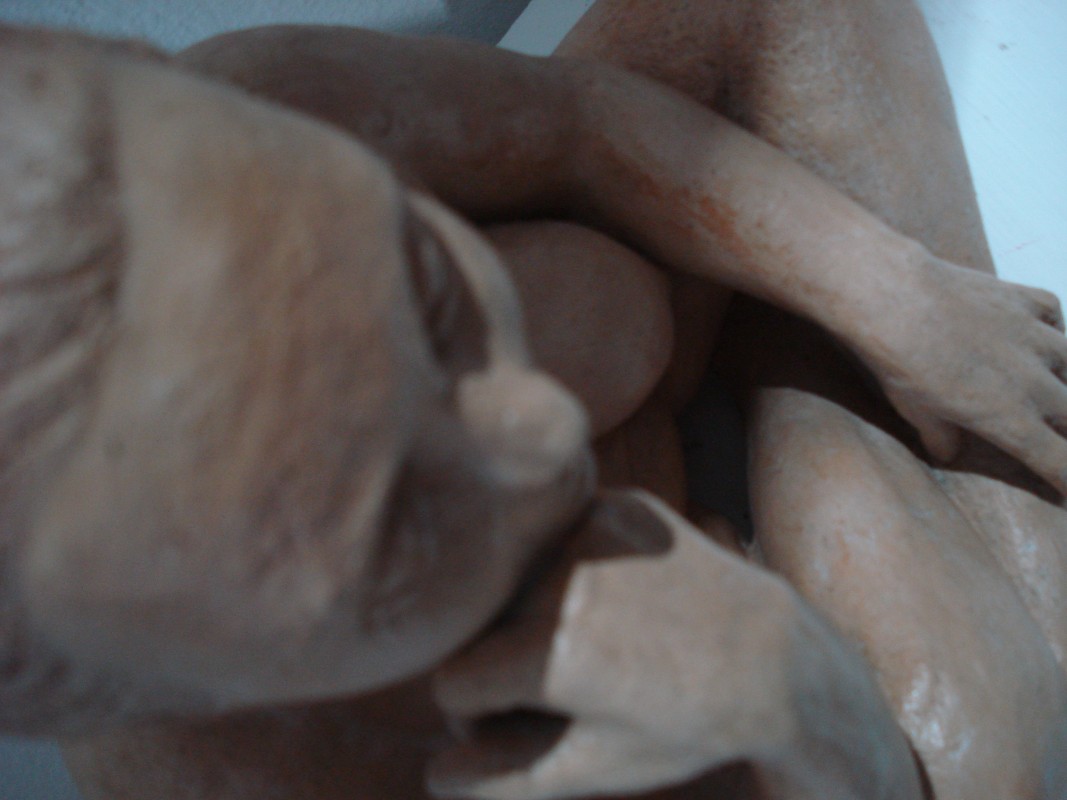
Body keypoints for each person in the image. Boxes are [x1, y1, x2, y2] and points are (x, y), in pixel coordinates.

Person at [0, 3, 1063, 795]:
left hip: (648, 308)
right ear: (198, 684)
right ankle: (784, 350)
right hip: (687, 638)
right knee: (987, 759)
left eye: (424, 283)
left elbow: (576, 125)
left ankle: (785, 324)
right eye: (393, 525)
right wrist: (809, 709)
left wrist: (892, 293)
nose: (542, 429)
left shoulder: (252, 126)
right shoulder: (253, 773)